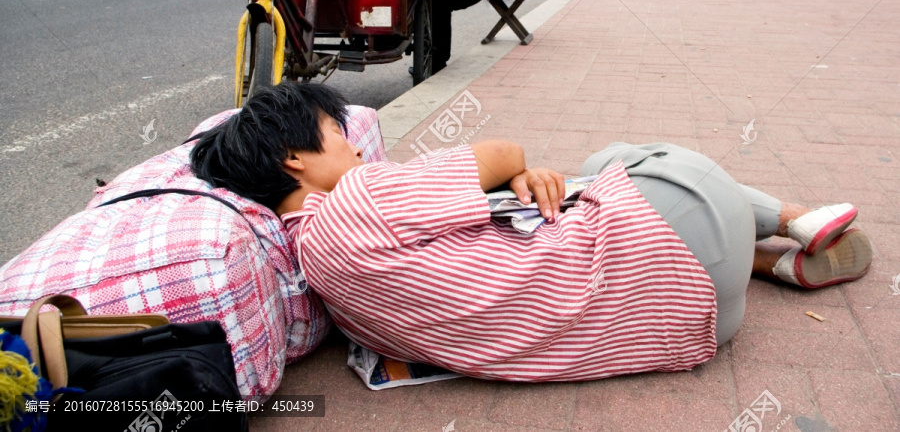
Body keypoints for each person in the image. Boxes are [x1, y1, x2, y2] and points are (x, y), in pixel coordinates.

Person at [191, 82, 874, 382]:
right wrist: (514, 171)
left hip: (690, 328)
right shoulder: (359, 197)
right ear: (293, 160)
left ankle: (768, 266)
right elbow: (504, 152)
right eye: (335, 133)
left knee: (576, 188)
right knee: (608, 159)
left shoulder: (335, 297)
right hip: (686, 224)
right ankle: (793, 221)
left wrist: (512, 189)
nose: (355, 145)